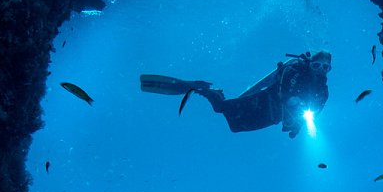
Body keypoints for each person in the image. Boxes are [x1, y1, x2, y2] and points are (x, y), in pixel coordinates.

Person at [140, 51, 331, 138]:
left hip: (272, 117)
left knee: (236, 126)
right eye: (317, 65)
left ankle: (209, 92)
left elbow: (315, 111)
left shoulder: (323, 91)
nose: (320, 70)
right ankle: (202, 89)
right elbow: (285, 90)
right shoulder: (296, 70)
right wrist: (293, 104)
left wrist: (298, 124)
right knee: (222, 108)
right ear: (310, 64)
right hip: (266, 102)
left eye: (325, 67)